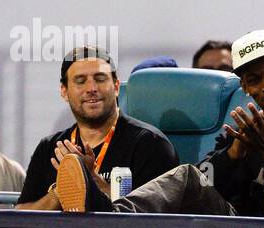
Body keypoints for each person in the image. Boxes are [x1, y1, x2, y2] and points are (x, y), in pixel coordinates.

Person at [55, 29, 264, 220]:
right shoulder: (245, 128)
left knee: (188, 179)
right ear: (245, 88)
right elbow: (205, 185)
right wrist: (233, 154)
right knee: (191, 178)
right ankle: (112, 218)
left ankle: (113, 217)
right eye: (255, 79)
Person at [16, 47, 179, 211]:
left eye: (100, 79)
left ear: (116, 87)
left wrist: (90, 178)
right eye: (80, 81)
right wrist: (61, 191)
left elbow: (148, 218)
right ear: (64, 91)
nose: (91, 88)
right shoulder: (49, 147)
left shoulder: (150, 144)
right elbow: (21, 217)